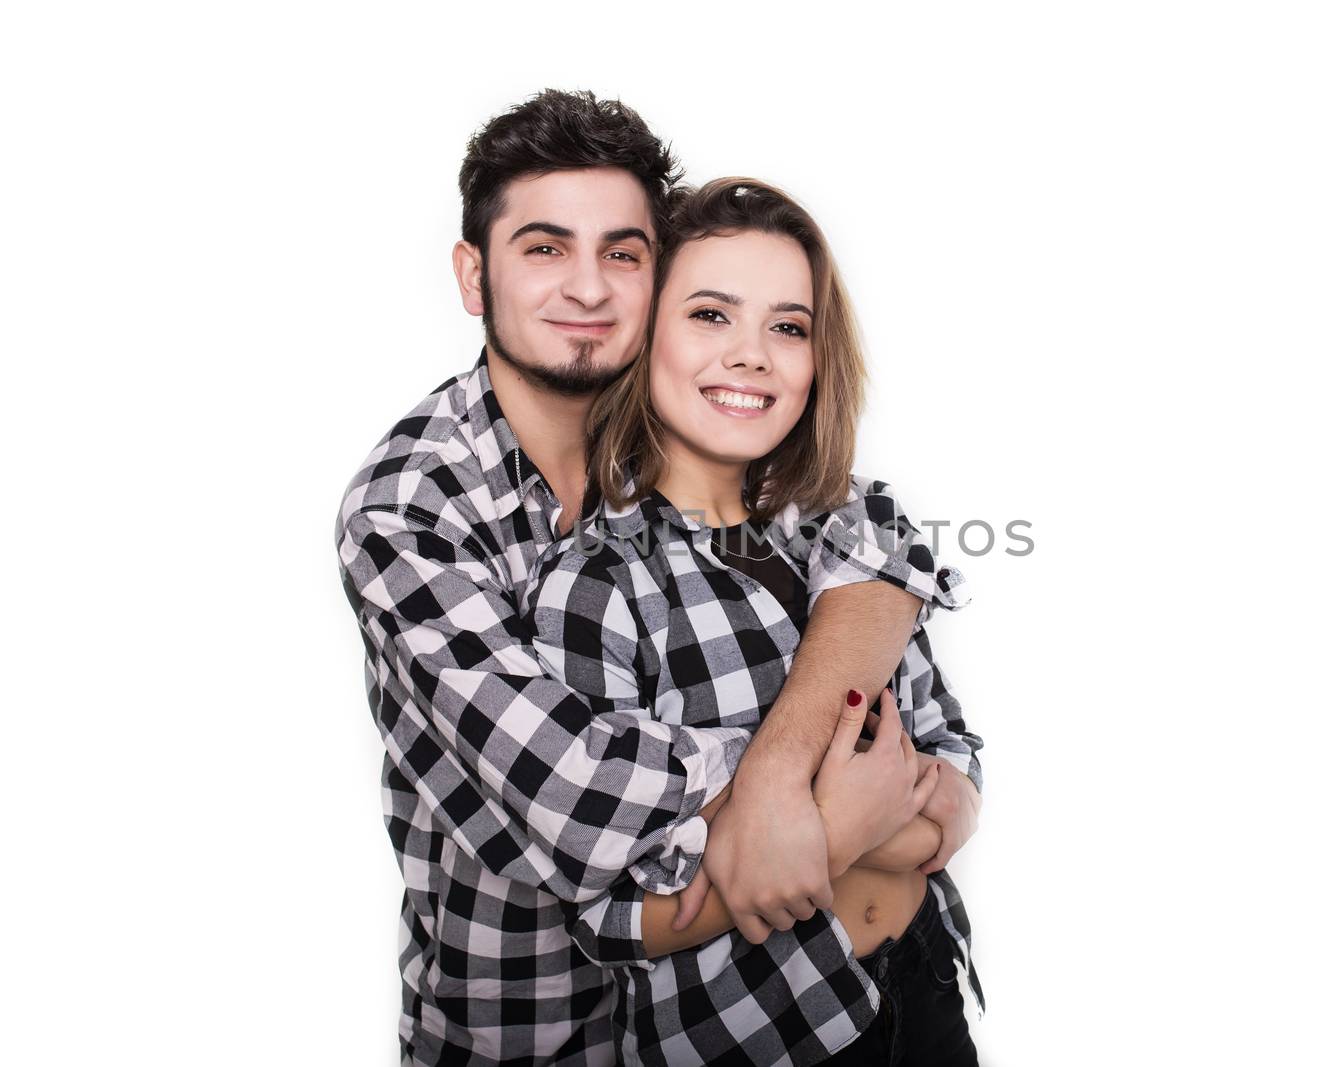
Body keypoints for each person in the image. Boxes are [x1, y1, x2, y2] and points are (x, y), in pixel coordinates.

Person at [334, 90, 970, 1065]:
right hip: (533, 1027)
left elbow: (876, 542)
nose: (587, 288)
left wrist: (783, 782)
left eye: (622, 252)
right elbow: (578, 794)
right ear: (473, 274)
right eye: (543, 248)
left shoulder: (705, 439)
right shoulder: (409, 508)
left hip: (845, 989)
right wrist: (850, 808)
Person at [529, 178, 985, 1066]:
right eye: (710, 315)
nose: (752, 356)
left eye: (787, 326)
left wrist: (898, 815)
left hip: (922, 981)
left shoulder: (855, 528)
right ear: (646, 334)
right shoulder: (596, 587)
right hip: (761, 1035)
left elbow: (951, 755)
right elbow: (610, 911)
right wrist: (864, 820)